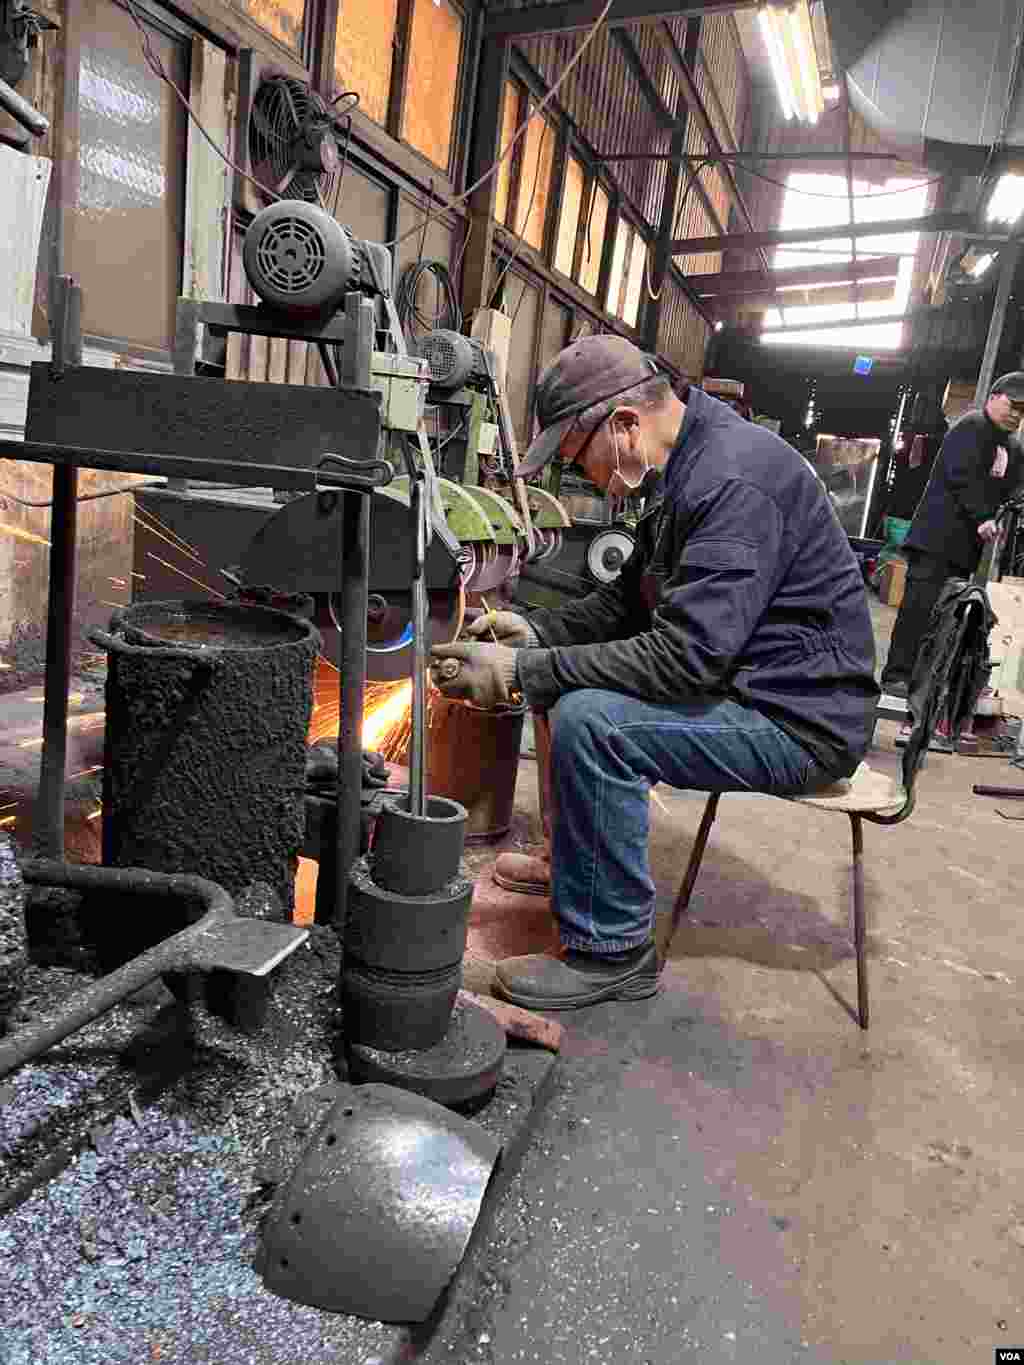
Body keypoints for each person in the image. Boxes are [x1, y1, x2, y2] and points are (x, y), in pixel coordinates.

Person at [429, 336, 880, 1011]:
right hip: (745, 681)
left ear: (625, 424)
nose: (589, 478)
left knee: (592, 720)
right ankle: (575, 873)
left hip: (800, 716)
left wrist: (525, 671)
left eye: (584, 459)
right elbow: (628, 597)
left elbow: (687, 657)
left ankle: (612, 952)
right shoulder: (686, 464)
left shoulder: (732, 480)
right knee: (564, 684)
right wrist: (540, 632)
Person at [880, 374, 1024, 697]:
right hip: (935, 541)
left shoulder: (1011, 445)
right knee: (918, 611)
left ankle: (922, 682)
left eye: (1022, 410)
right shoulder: (970, 427)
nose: (1016, 414)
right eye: (1012, 405)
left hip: (964, 550)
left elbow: (1015, 484)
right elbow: (963, 476)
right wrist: (985, 516)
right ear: (993, 397)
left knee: (944, 620)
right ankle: (897, 677)